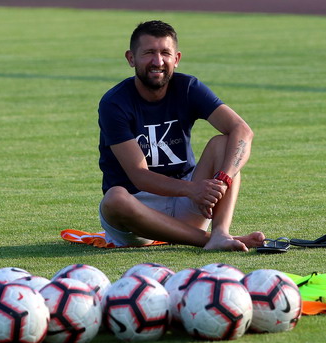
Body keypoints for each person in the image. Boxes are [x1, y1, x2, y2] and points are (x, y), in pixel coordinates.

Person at [98, 20, 265, 252]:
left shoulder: (188, 87)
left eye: (165, 53)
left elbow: (242, 130)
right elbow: (139, 176)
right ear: (131, 58)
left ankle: (221, 232)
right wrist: (192, 190)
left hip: (188, 203)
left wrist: (222, 181)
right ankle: (210, 240)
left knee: (225, 144)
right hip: (137, 212)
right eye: (149, 53)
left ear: (176, 59)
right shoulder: (114, 103)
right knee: (114, 199)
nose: (158, 61)